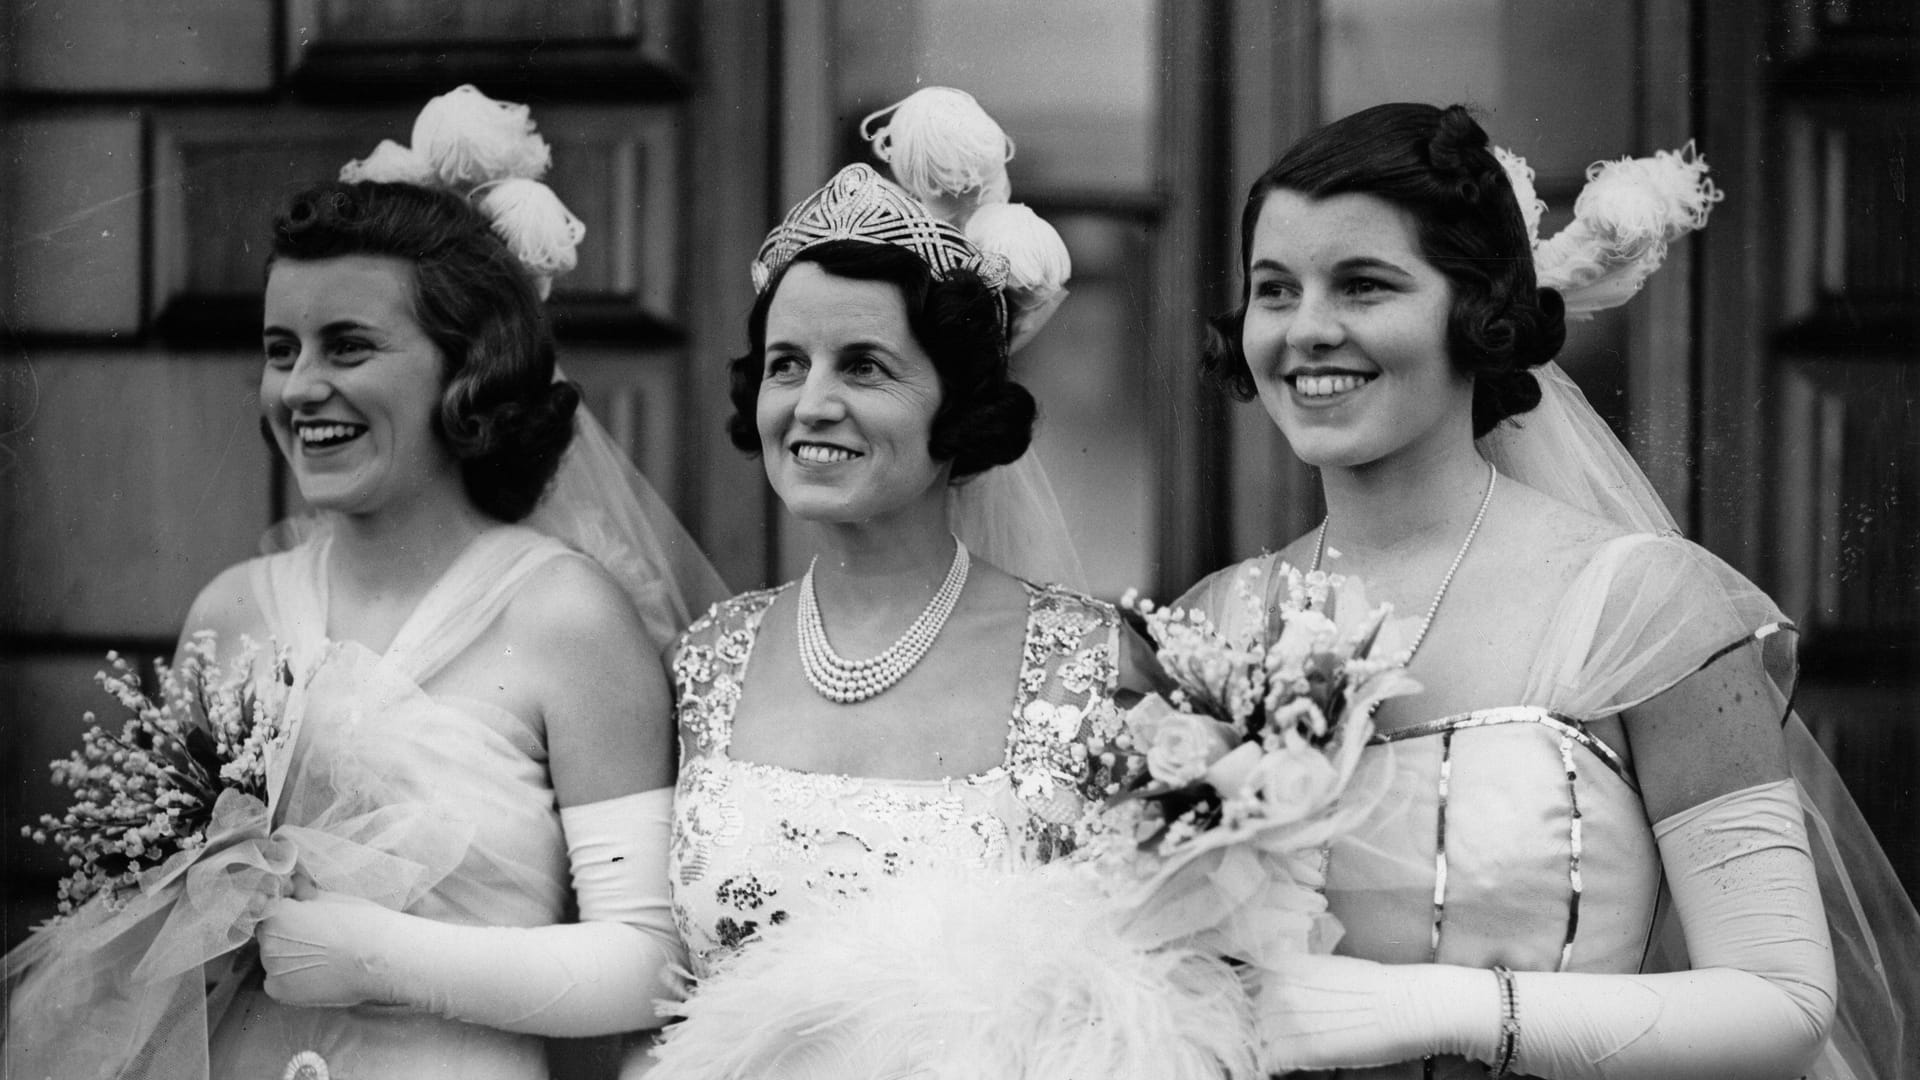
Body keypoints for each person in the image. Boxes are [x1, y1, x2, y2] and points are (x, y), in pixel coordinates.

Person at [1181, 101, 1919, 1080]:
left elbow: (1782, 1003)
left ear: (1476, 307)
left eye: (1363, 284)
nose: (1309, 330)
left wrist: (1435, 1007)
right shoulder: (1212, 625)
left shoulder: (1641, 606)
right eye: (1275, 291)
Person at [4, 87, 728, 1080]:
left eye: (350, 346)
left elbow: (647, 965)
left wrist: (378, 959)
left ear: (466, 369)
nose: (302, 388)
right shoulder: (231, 610)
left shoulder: (565, 618)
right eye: (280, 351)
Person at [645, 91, 1171, 1076]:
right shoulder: (709, 656)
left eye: (867, 366)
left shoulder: (1088, 663)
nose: (813, 403)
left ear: (957, 409)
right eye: (786, 363)